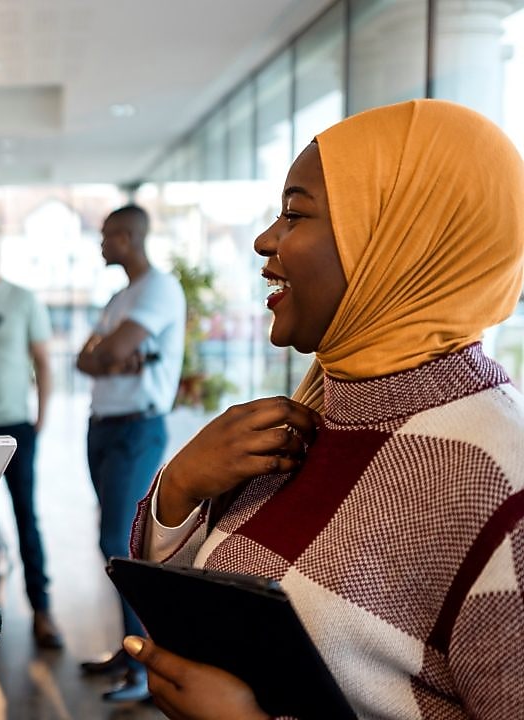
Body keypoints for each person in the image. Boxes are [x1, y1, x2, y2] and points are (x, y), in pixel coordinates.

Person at [123, 99, 524, 719]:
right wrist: (179, 489)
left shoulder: (496, 474)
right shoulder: (319, 408)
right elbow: (203, 606)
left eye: (294, 214)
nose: (264, 240)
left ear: (399, 239)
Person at [75, 204, 185, 702]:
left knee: (120, 540)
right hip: (102, 428)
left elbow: (110, 354)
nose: (100, 244)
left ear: (127, 236)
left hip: (136, 429)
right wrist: (106, 356)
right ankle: (130, 648)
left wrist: (108, 356)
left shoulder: (159, 288)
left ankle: (147, 667)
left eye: (105, 236)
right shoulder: (121, 296)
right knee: (114, 539)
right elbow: (87, 358)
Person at [0, 221, 63, 648]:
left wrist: (42, 416)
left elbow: (42, 359)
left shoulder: (23, 300)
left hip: (16, 424)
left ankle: (42, 610)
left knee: (27, 516)